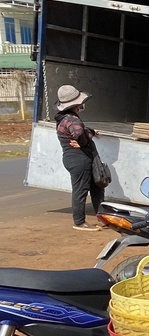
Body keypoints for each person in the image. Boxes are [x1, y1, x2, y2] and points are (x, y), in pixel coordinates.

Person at [55, 85, 103, 232]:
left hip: (75, 158)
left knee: (97, 188)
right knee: (80, 190)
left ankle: (104, 217)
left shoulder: (65, 118)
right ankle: (79, 222)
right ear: (77, 105)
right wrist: (84, 139)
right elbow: (77, 132)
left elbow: (81, 131)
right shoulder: (72, 119)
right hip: (78, 159)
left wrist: (91, 132)